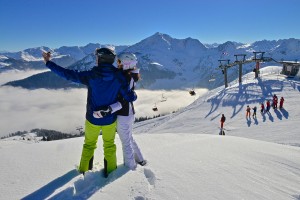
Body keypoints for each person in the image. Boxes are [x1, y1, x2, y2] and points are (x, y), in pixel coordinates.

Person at [42, 48, 137, 177]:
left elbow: (67, 74)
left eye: (97, 57)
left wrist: (48, 63)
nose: (96, 60)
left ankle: (83, 172)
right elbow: (130, 97)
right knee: (109, 146)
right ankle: (111, 174)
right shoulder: (119, 77)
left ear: (101, 59)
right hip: (109, 120)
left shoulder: (91, 75)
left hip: (92, 119)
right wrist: (132, 93)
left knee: (89, 145)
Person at [94, 52, 146, 170]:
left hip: (124, 114)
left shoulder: (126, 78)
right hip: (129, 113)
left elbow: (123, 99)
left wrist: (109, 109)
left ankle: (130, 167)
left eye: (119, 62)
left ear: (126, 63)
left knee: (126, 142)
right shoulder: (130, 75)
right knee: (129, 138)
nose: (117, 64)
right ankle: (140, 160)